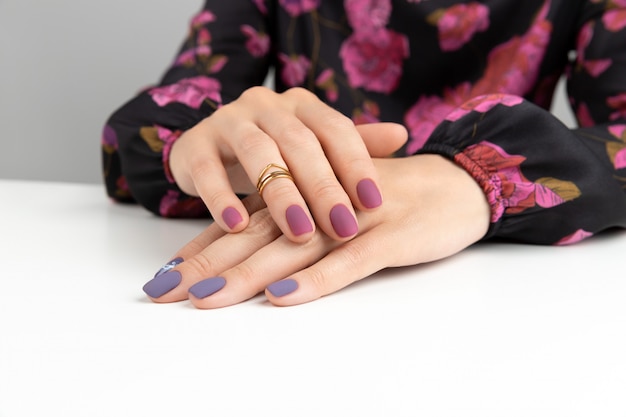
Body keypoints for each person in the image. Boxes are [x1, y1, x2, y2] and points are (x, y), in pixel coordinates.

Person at [103, 0, 626, 308]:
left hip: (492, 298)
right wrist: (198, 153)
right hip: (295, 254)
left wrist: (475, 178)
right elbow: (141, 131)